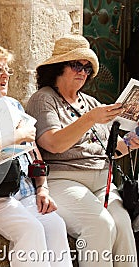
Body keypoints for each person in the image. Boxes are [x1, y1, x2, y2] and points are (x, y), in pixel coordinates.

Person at [25, 34, 139, 267]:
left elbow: (111, 149)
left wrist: (130, 143)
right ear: (58, 67)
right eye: (77, 65)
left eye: (87, 68)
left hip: (101, 180)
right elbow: (53, 144)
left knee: (123, 225)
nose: (83, 72)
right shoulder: (43, 99)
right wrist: (89, 119)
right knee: (99, 224)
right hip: (63, 179)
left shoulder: (91, 102)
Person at [0, 41, 72, 267]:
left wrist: (43, 187)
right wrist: (18, 134)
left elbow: (33, 150)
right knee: (29, 230)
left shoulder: (12, 104)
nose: (6, 75)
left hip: (25, 190)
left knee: (55, 225)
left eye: (7, 70)